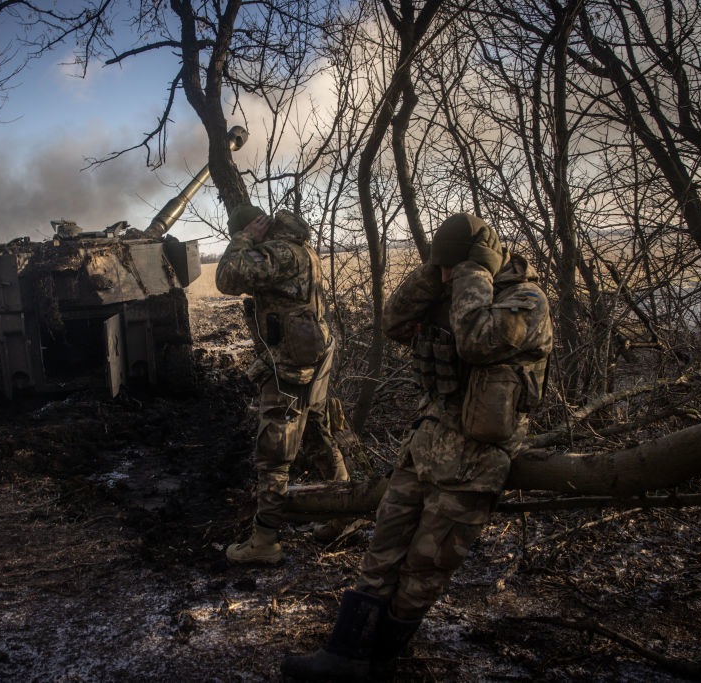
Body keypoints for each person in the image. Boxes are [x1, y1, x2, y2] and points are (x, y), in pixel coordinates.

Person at [282, 213, 553, 680]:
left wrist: (471, 274)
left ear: (478, 265)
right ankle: (344, 655)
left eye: (451, 268)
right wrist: (435, 271)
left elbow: (474, 341)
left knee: (425, 568)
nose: (445, 276)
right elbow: (393, 321)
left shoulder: (526, 302)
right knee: (380, 552)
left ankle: (382, 662)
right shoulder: (452, 290)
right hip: (425, 447)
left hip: (474, 464)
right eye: (442, 268)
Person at [216, 204, 350, 564]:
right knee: (317, 435)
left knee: (273, 449)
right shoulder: (297, 246)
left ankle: (265, 541)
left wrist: (244, 239)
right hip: (310, 355)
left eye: (242, 234)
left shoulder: (281, 252)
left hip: (293, 364)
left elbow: (227, 278)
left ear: (257, 228)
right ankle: (344, 515)